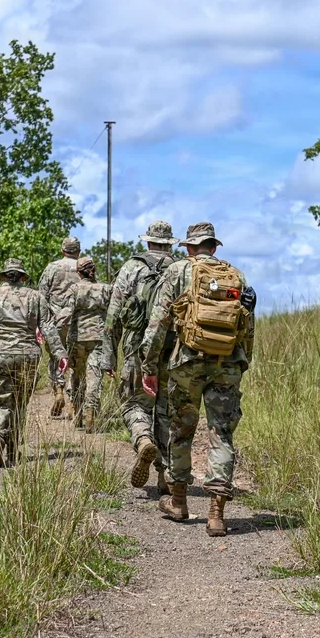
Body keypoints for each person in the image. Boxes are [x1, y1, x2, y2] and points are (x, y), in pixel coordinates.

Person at [140, 222, 255, 537]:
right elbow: (248, 323)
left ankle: (178, 502)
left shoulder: (178, 272)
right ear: (214, 247)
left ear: (189, 247)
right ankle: (216, 514)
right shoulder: (236, 275)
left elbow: (157, 322)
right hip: (227, 363)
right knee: (222, 433)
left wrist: (149, 366)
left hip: (187, 363)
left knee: (181, 430)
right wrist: (243, 360)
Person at [101, 221, 181, 493]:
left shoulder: (131, 268)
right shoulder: (180, 269)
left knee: (134, 404)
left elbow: (112, 316)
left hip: (137, 346)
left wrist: (108, 358)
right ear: (170, 243)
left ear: (147, 242)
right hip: (173, 348)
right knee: (166, 411)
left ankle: (143, 438)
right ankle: (165, 476)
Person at [0, 258, 68, 468]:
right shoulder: (36, 297)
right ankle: (13, 451)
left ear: (5, 276)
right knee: (20, 402)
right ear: (23, 277)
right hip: (27, 355)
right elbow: (49, 328)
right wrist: (59, 354)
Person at [64, 257, 111, 431]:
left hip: (77, 339)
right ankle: (91, 416)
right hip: (98, 338)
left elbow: (66, 313)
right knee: (94, 378)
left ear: (78, 272)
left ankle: (77, 416)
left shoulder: (74, 289)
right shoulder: (105, 289)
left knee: (77, 376)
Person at [39, 236, 83, 418]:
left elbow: (41, 296)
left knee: (56, 357)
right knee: (76, 360)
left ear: (62, 250)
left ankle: (58, 391)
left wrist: (40, 323)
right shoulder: (84, 266)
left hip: (55, 322)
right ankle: (74, 402)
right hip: (78, 322)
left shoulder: (52, 267)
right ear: (78, 251)